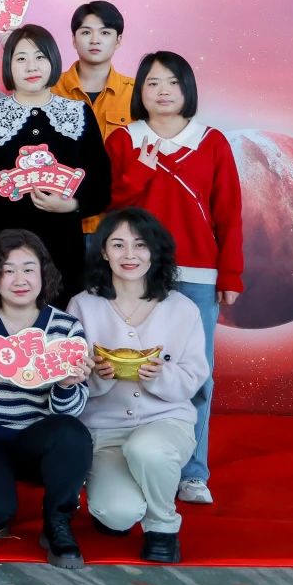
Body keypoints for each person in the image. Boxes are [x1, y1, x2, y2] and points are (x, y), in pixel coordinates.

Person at [104, 50, 242, 505]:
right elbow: (109, 205)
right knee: (129, 366)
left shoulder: (212, 141)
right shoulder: (124, 140)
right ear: (139, 91)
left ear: (187, 89)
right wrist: (140, 170)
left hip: (197, 273)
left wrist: (230, 274)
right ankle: (129, 457)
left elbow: (229, 212)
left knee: (195, 373)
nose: (162, 91)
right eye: (152, 83)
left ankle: (193, 471)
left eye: (172, 83)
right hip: (134, 274)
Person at [68, 208, 209, 564]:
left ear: (155, 251)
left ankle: (163, 525)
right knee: (117, 513)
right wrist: (97, 375)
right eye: (118, 245)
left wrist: (161, 376)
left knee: (148, 449)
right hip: (105, 430)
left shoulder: (182, 308)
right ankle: (123, 500)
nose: (129, 255)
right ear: (103, 252)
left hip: (166, 422)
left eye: (140, 245)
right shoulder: (83, 305)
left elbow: (194, 377)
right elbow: (70, 376)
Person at [0, 229, 94, 569]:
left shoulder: (65, 327)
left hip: (37, 437)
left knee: (73, 434)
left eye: (29, 269)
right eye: (7, 270)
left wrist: (66, 385)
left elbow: (72, 410)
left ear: (44, 273)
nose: (20, 280)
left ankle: (58, 520)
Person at [0, 24, 111, 308]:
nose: (31, 67)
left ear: (53, 61)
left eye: (40, 57)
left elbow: (101, 182)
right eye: (21, 58)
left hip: (61, 251)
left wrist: (72, 205)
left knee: (56, 328)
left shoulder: (78, 113)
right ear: (8, 65)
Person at [53, 1, 135, 239]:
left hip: (118, 226)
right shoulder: (50, 89)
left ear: (118, 40)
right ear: (73, 39)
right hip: (59, 222)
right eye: (86, 32)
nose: (95, 40)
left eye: (105, 33)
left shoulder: (136, 94)